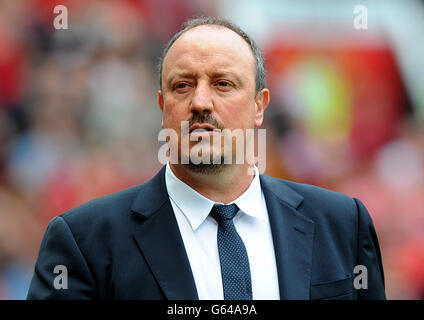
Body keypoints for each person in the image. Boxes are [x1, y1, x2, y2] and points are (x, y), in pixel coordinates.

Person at [27, 16, 386, 300]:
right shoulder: (86, 242)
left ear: (259, 106)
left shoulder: (341, 226)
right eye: (182, 85)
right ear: (162, 106)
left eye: (222, 84)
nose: (200, 102)